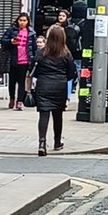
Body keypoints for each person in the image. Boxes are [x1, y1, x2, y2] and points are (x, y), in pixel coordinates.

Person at [31, 25, 77, 156]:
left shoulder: (41, 52)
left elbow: (33, 69)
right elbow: (72, 73)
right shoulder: (66, 53)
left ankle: (42, 143)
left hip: (43, 85)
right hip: (59, 86)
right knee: (58, 115)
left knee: (43, 114)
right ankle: (57, 142)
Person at [0, 13, 37, 110]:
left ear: (28, 21)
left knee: (22, 82)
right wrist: (11, 41)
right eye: (20, 20)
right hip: (13, 59)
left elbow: (34, 48)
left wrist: (33, 60)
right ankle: (12, 98)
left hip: (25, 61)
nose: (22, 22)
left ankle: (20, 101)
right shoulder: (12, 30)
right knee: (12, 82)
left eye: (24, 20)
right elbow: (3, 40)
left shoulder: (31, 33)